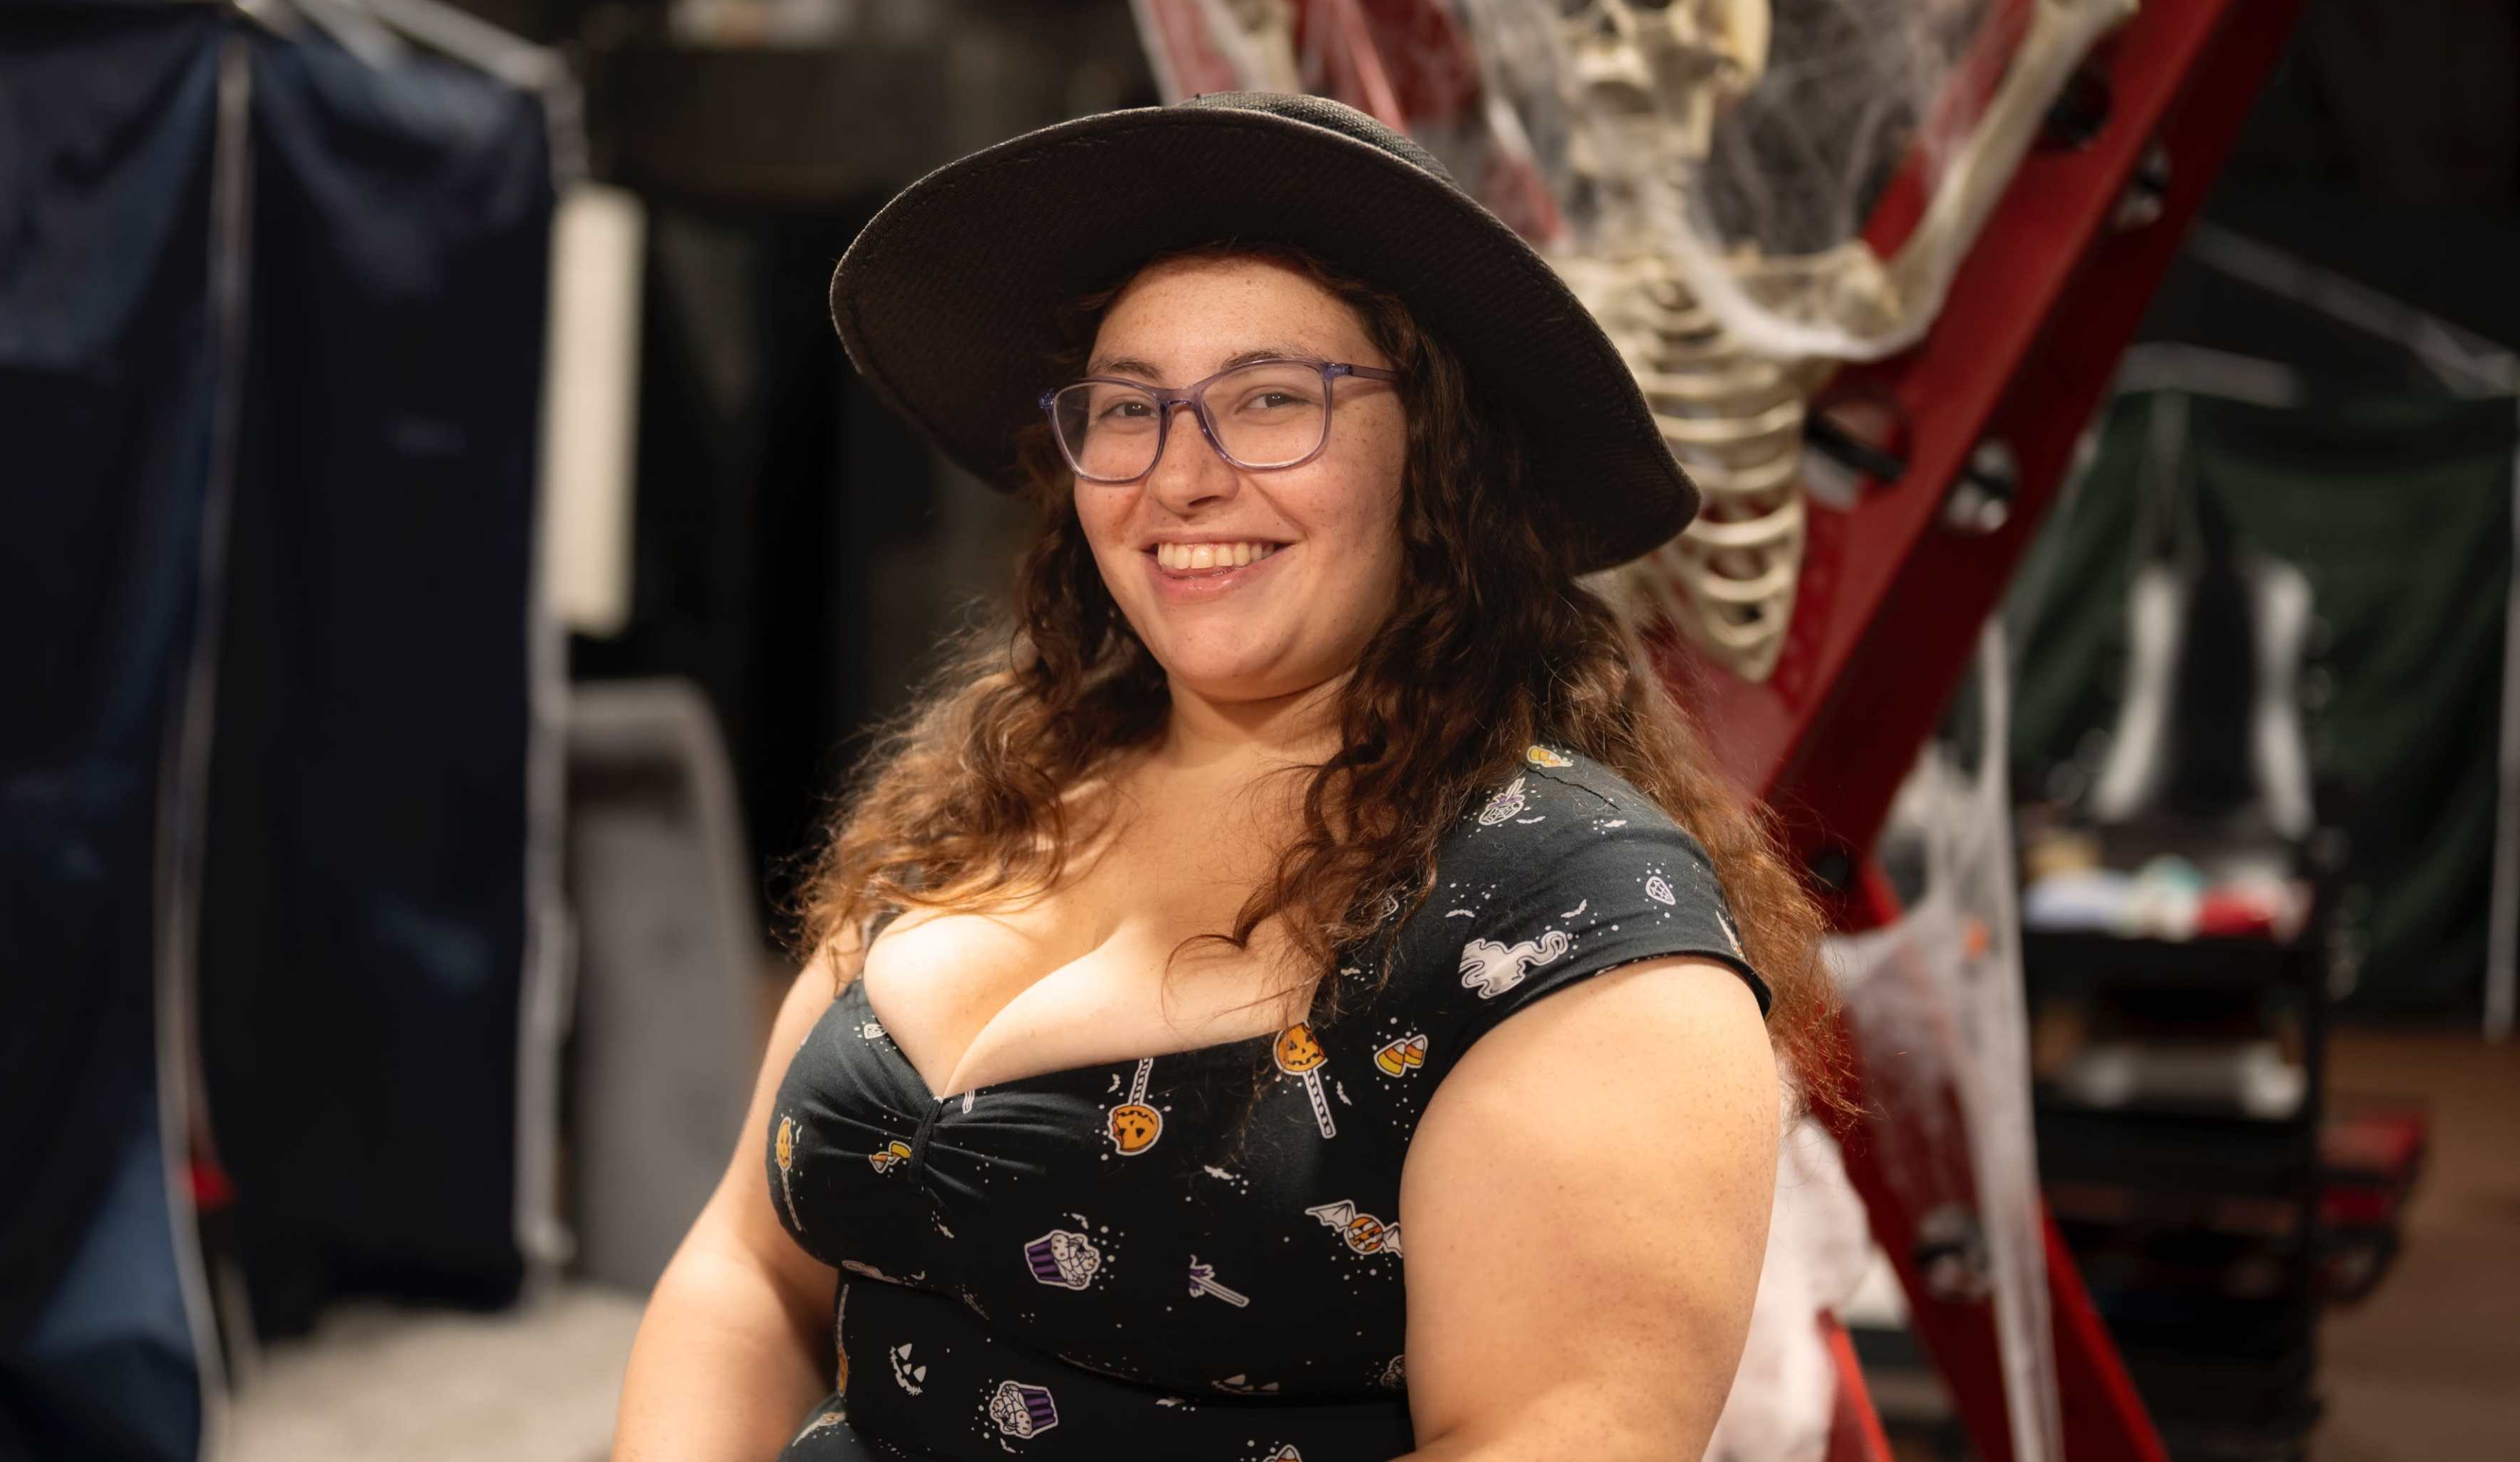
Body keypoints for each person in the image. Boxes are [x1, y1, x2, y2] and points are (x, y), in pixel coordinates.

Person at [614, 91, 1838, 1462]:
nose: (1180, 477)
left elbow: (1551, 1437)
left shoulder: (1561, 914)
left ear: (1434, 457)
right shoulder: (995, 790)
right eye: (1129, 408)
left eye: (1269, 401)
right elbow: (745, 1276)